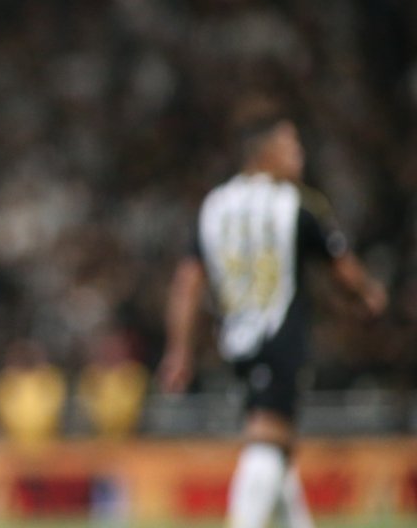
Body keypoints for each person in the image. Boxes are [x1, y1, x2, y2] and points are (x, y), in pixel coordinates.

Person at [157, 113, 387, 528]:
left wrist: (179, 350)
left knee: (278, 443)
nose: (299, 156)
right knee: (268, 437)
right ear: (265, 154)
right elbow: (344, 270)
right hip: (281, 334)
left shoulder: (215, 205)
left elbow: (188, 281)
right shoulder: (295, 203)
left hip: (237, 339)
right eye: (291, 146)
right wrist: (369, 295)